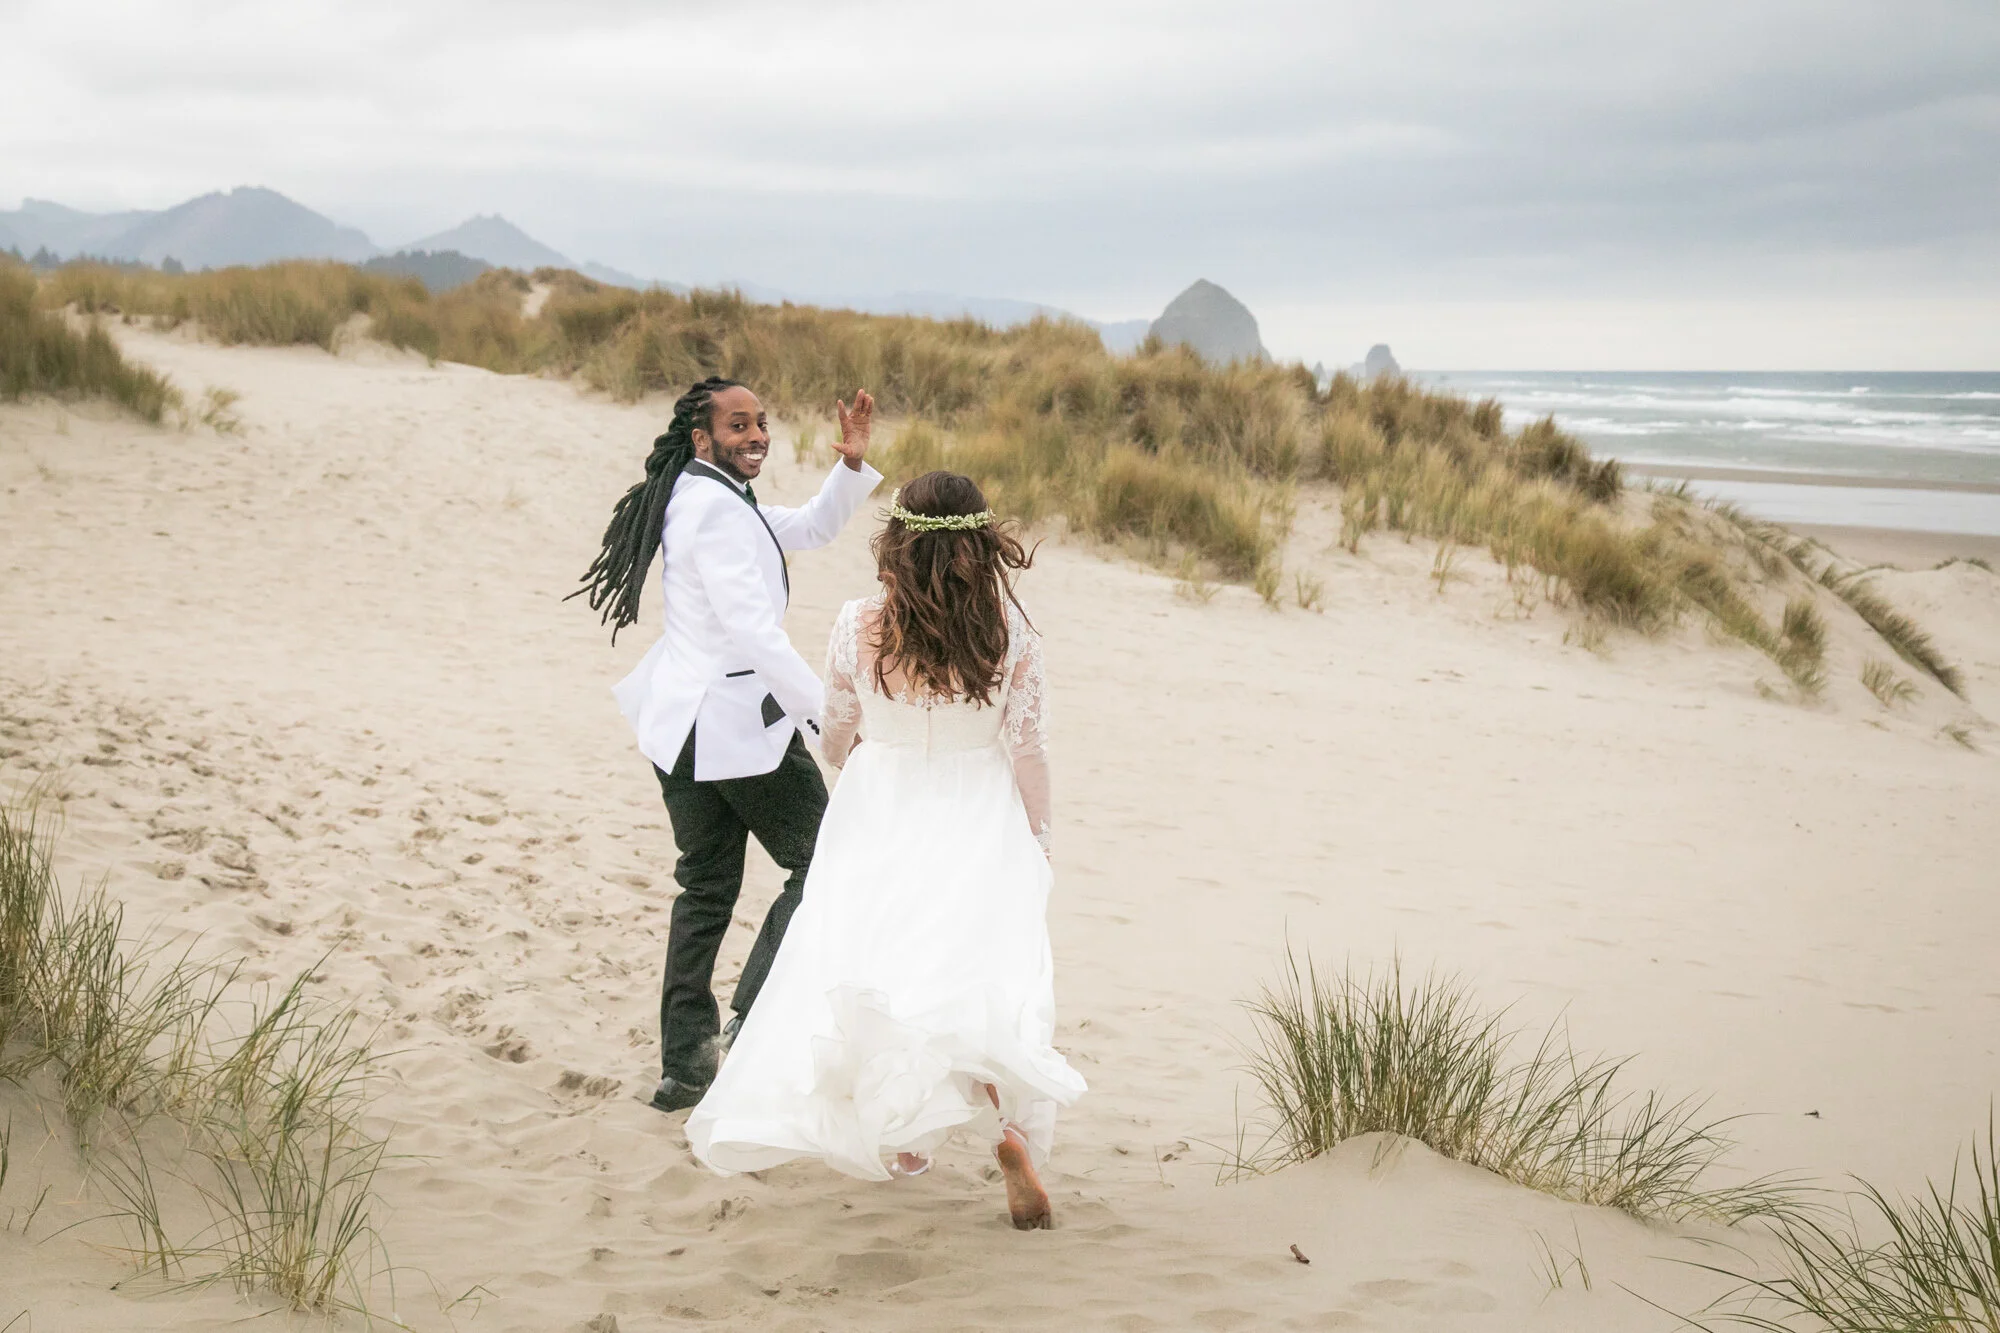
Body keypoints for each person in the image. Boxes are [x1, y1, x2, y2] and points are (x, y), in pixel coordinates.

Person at [685, 470, 1086, 1231]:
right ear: (981, 544)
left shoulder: (859, 623)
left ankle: (901, 1138)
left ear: (896, 542)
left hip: (881, 803)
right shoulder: (1009, 630)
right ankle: (1010, 1132)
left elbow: (835, 732)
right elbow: (1028, 749)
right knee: (982, 970)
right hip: (978, 810)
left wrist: (868, 750)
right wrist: (1038, 837)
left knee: (878, 964)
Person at [570, 375, 883, 1114]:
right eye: (739, 425)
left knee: (705, 889)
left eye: (762, 422)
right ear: (702, 437)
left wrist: (849, 466)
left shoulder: (707, 494)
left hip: (680, 728)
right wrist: (833, 716)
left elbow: (806, 526)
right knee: (826, 863)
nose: (757, 435)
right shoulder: (711, 511)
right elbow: (752, 634)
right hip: (736, 730)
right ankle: (747, 1026)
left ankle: (685, 1067)